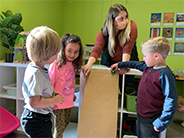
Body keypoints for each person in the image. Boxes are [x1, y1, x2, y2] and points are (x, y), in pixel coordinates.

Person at [111, 36, 177, 138]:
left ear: (156, 56)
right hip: (141, 114)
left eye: (145, 56)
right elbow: (135, 64)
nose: (143, 58)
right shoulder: (148, 67)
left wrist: (162, 121)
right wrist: (119, 64)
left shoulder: (165, 74)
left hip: (152, 118)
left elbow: (171, 99)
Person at [20, 26, 65, 138]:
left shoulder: (38, 68)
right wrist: (53, 100)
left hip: (38, 118)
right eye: (55, 53)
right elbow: (34, 103)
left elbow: (39, 89)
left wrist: (51, 92)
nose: (57, 56)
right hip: (37, 119)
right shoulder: (36, 74)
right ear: (46, 53)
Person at [82, 3, 138, 76]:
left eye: (126, 17)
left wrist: (124, 64)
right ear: (112, 20)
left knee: (127, 85)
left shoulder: (132, 26)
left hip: (127, 64)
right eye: (121, 19)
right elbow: (96, 50)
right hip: (110, 66)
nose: (126, 21)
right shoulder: (103, 33)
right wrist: (88, 64)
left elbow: (128, 47)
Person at [48, 34, 83, 138]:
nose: (72, 54)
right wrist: (52, 99)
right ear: (63, 49)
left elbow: (68, 83)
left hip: (68, 102)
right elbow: (49, 84)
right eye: (69, 50)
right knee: (58, 129)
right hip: (58, 104)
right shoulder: (56, 64)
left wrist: (72, 95)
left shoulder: (72, 64)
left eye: (76, 51)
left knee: (64, 125)